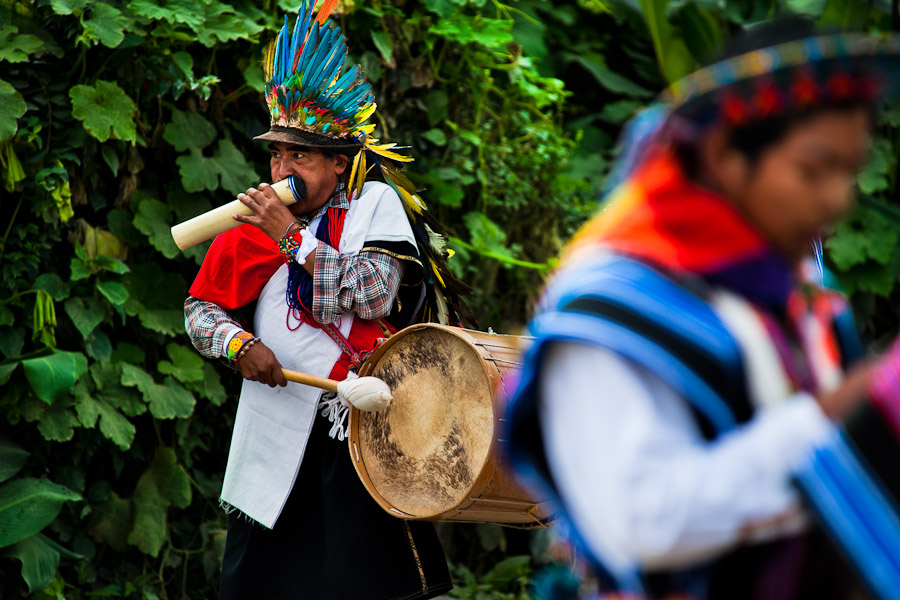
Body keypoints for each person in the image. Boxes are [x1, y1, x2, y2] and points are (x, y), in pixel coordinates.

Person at [506, 21, 900, 600]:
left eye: (850, 171)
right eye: (814, 171)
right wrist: (842, 416)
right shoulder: (611, 312)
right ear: (723, 156)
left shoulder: (803, 288)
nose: (838, 199)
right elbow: (640, 524)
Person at [183, 1, 461, 597]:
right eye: (277, 155)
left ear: (339, 163)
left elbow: (372, 293)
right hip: (277, 419)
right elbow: (200, 310)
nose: (282, 169)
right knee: (266, 581)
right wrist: (239, 344)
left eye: (299, 156)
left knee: (363, 580)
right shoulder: (249, 228)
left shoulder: (374, 207)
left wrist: (291, 236)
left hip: (360, 421)